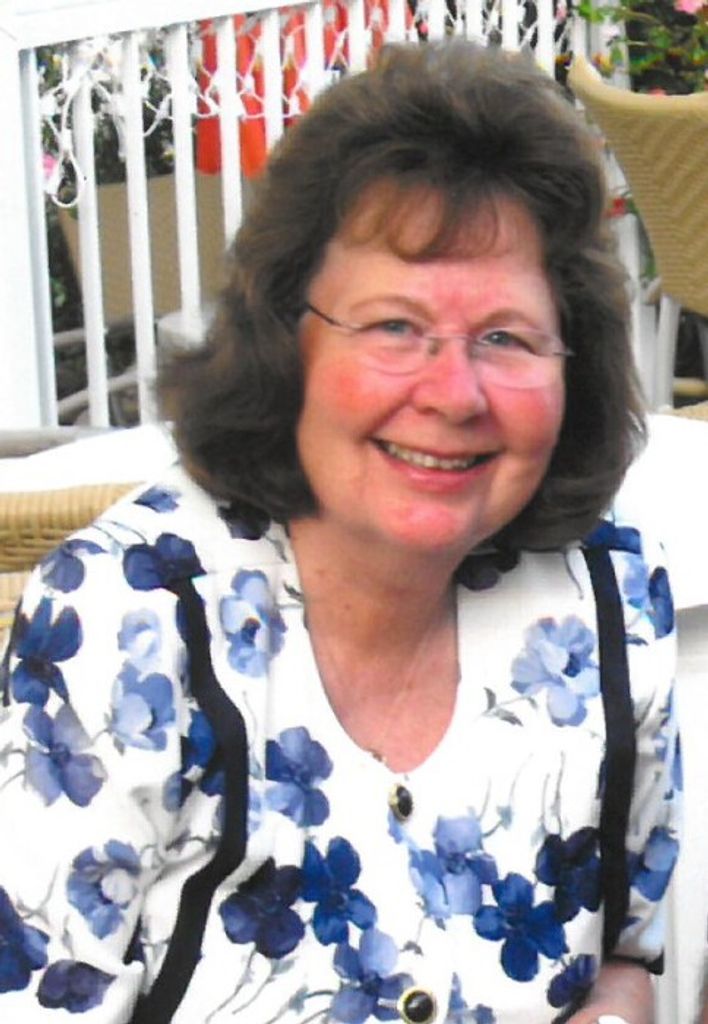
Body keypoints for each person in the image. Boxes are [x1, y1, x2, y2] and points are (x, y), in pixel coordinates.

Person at [0, 39, 680, 1024]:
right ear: (286, 341)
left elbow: (623, 957)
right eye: (394, 326)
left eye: (506, 336)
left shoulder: (611, 594)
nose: (453, 393)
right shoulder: (125, 619)